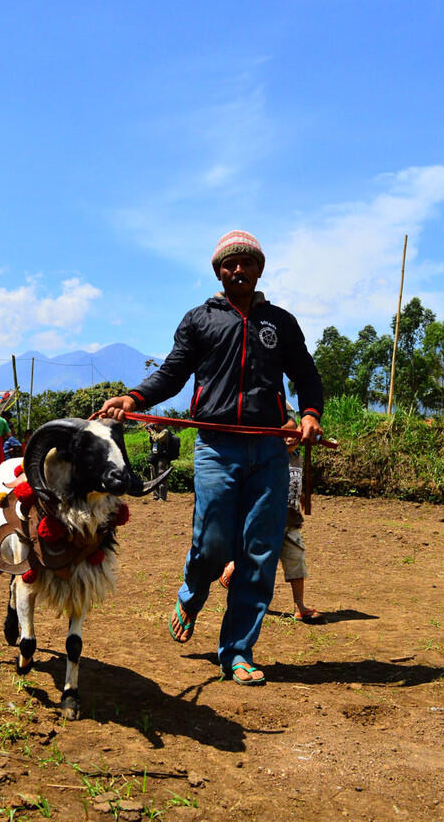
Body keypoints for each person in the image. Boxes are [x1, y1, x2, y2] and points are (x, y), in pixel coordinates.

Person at [100, 230, 323, 686]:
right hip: (215, 446)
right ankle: (191, 593)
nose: (237, 270)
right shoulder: (199, 320)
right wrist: (134, 396)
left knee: (259, 552)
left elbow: (306, 374)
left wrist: (311, 414)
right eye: (228, 264)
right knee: (214, 541)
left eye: (246, 263)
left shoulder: (280, 322)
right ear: (218, 272)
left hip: (269, 448)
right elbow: (174, 371)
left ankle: (238, 652)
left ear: (260, 268)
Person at [221, 414, 323, 623]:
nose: (289, 438)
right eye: (284, 433)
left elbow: (296, 479)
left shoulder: (297, 458)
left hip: (291, 520)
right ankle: (232, 569)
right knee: (255, 558)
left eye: (293, 433)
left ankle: (299, 606)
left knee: (296, 562)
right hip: (267, 519)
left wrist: (302, 495)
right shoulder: (269, 459)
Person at [145, 423, 179, 501]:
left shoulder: (165, 432)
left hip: (162, 456)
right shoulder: (155, 432)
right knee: (153, 475)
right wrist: (151, 432)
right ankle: (155, 496)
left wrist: (152, 432)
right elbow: (152, 441)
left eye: (155, 424)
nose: (153, 426)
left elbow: (157, 439)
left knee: (161, 475)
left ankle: (162, 497)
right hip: (154, 455)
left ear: (161, 425)